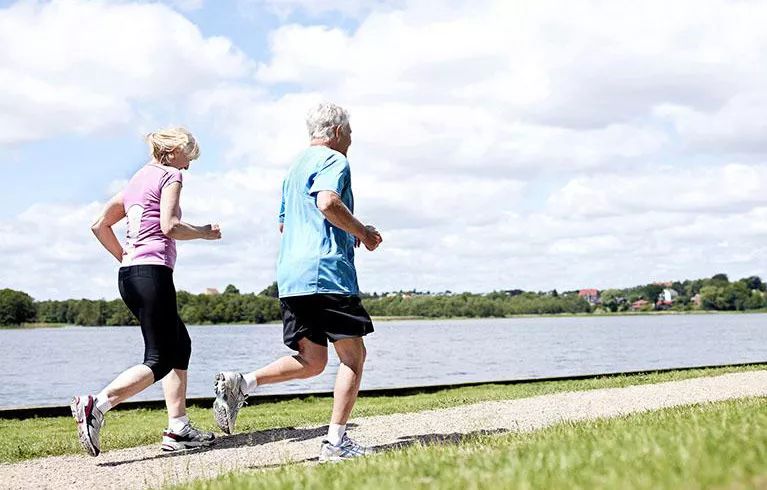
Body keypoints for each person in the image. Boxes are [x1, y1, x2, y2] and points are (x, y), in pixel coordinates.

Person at [212, 102, 383, 462]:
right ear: (337, 132)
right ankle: (336, 444)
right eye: (350, 133)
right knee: (353, 357)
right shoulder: (335, 160)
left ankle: (243, 384)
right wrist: (362, 232)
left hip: (292, 278)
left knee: (313, 359)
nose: (351, 139)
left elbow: (284, 224)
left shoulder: (293, 170)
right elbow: (327, 202)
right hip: (327, 274)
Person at [71, 128, 222, 457]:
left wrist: (127, 257)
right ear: (173, 151)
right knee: (161, 358)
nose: (188, 167)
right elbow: (169, 226)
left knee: (180, 344)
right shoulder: (170, 175)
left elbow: (100, 225)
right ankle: (96, 404)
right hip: (152, 273)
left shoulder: (136, 179)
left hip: (130, 275)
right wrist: (204, 233)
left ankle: (178, 428)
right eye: (188, 157)